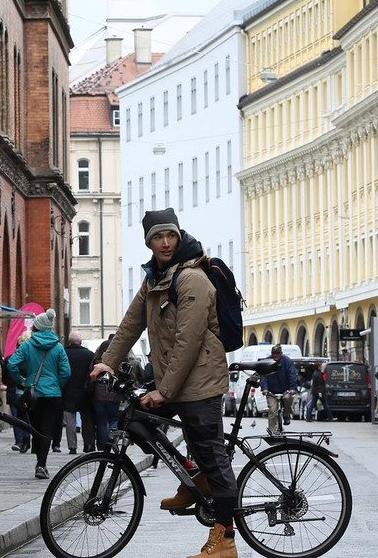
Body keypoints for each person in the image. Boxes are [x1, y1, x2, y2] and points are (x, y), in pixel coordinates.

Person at [90, 208, 239, 558]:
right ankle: (193, 479)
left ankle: (226, 539)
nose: (166, 242)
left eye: (170, 235)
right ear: (149, 242)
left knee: (212, 455)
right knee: (139, 416)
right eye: (158, 237)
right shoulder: (156, 277)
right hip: (178, 379)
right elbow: (131, 323)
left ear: (178, 235)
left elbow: (188, 342)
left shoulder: (191, 278)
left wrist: (163, 390)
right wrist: (106, 362)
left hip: (200, 380)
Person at [7, 309, 71, 479]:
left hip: (33, 394)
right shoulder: (58, 347)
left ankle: (40, 462)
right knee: (47, 429)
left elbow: (12, 363)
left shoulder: (27, 345)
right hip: (53, 395)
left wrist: (21, 380)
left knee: (36, 428)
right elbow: (66, 372)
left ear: (35, 328)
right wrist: (56, 385)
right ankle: (41, 464)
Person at [62, 330, 96, 453]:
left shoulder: (64, 354)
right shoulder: (89, 355)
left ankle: (72, 447)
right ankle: (88, 444)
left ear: (69, 341)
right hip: (85, 391)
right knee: (86, 419)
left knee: (70, 420)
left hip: (67, 390)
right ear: (80, 342)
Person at [90, 335, 121, 451]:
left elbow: (90, 376)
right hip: (114, 395)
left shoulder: (95, 361)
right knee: (114, 420)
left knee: (101, 422)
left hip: (98, 396)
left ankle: (103, 447)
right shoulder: (117, 362)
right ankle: (112, 442)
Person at [262, 344, 297, 434]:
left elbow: (292, 375)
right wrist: (264, 388)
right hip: (271, 391)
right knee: (272, 410)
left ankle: (287, 413)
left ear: (281, 353)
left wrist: (292, 388)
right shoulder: (266, 361)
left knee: (287, 398)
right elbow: (263, 376)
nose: (276, 356)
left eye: (277, 354)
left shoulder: (287, 361)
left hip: (285, 389)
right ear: (271, 353)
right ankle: (272, 431)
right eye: (274, 354)